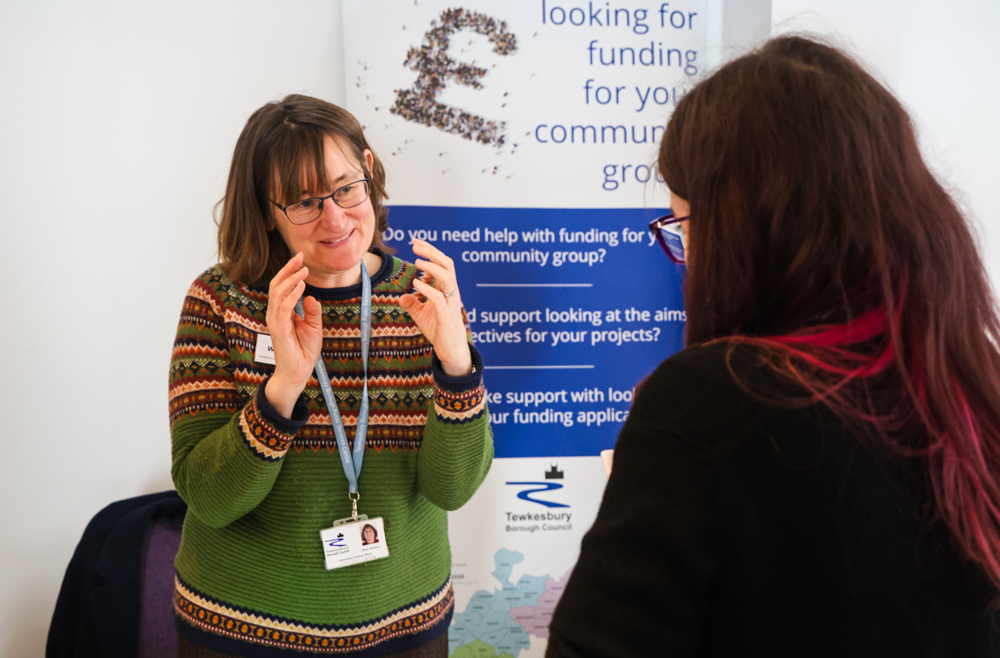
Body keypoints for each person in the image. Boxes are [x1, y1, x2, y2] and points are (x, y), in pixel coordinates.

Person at [546, 36, 1000, 656]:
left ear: (742, 230)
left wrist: (662, 476)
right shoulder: (973, 384)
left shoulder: (710, 403)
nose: (687, 262)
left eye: (686, 229)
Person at [169, 94, 493, 657]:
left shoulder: (425, 300)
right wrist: (282, 389)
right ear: (266, 209)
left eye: (346, 188)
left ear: (368, 170)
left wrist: (456, 367)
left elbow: (453, 488)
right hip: (241, 631)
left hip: (404, 628)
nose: (336, 219)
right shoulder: (221, 301)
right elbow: (209, 497)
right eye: (303, 202)